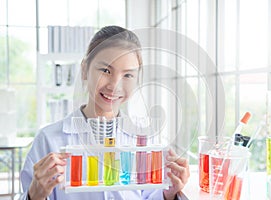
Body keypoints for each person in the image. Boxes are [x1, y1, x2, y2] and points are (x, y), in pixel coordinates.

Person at [20, 25, 190, 200]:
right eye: (106, 71)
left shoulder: (144, 139)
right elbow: (30, 193)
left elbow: (150, 196)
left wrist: (168, 194)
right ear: (85, 70)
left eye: (128, 75)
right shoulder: (48, 140)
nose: (114, 85)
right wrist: (34, 196)